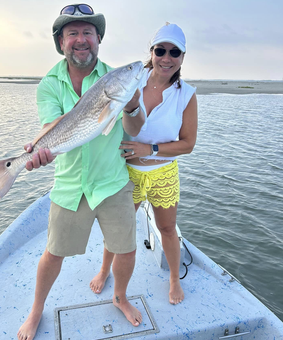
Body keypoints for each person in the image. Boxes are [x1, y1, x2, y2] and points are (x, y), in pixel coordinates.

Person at [17, 4, 145, 340]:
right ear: (61, 42)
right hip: (70, 184)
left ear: (99, 39)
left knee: (127, 249)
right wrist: (37, 150)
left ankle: (119, 296)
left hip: (112, 182)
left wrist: (131, 104)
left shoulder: (117, 78)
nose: (81, 39)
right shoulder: (49, 84)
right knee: (53, 253)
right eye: (72, 33)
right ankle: (35, 311)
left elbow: (133, 128)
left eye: (88, 32)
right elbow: (51, 126)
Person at [90, 22, 198, 305]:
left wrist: (148, 148)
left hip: (164, 172)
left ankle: (174, 278)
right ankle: (104, 271)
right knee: (119, 230)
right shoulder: (131, 80)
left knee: (167, 229)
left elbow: (187, 144)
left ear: (183, 57)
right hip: (127, 172)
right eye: (161, 50)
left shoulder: (186, 94)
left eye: (175, 52)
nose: (167, 58)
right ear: (151, 52)